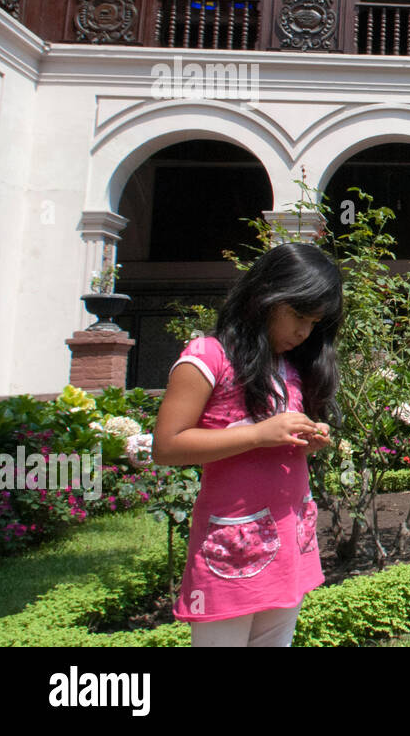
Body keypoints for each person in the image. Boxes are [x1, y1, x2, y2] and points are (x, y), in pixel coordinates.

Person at [153, 241, 344, 647]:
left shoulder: (289, 368)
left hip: (288, 542)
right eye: (297, 315)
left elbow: (272, 444)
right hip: (230, 549)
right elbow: (167, 446)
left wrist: (303, 439)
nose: (303, 332)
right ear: (264, 296)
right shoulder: (208, 357)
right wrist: (260, 433)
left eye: (313, 322)